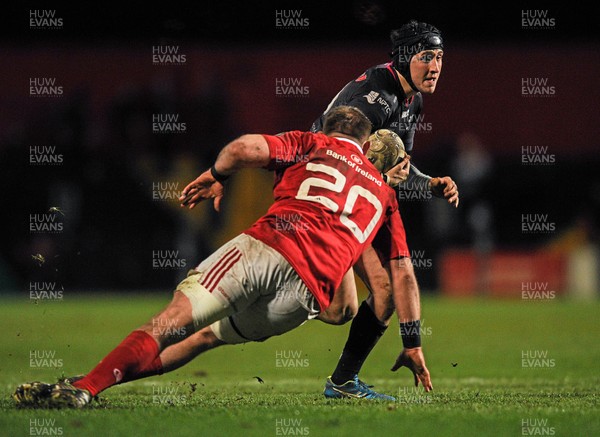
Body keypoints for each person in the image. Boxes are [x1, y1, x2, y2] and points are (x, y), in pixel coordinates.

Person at [13, 106, 432, 409]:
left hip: (268, 247)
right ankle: (89, 383)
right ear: (366, 143)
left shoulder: (311, 143)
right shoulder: (384, 198)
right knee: (204, 337)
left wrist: (217, 177)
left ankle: (87, 386)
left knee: (169, 323)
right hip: (304, 294)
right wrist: (412, 344)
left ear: (328, 128)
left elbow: (245, 148)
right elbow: (396, 282)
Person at [309, 20, 459, 400]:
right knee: (347, 304)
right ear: (407, 57)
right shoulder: (375, 96)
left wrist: (428, 184)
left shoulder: (413, 100)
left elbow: (398, 166)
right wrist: (379, 181)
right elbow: (337, 154)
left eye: (440, 57)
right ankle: (272, 291)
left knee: (378, 294)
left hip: (362, 194)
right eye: (427, 56)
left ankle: (342, 382)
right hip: (327, 194)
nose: (436, 66)